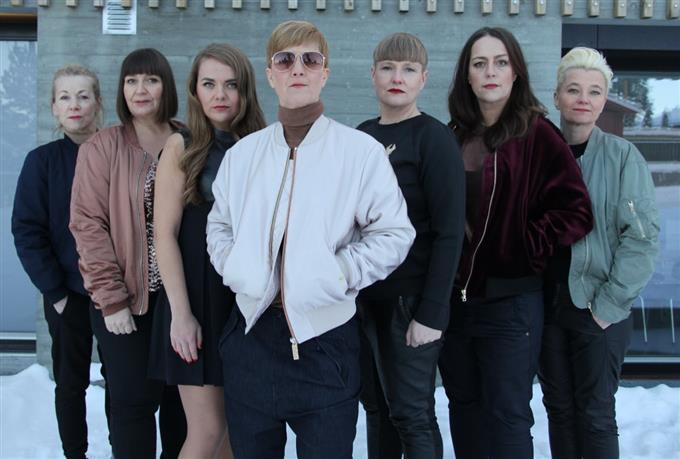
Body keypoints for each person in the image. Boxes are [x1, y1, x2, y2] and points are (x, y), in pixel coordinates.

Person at [206, 20, 415, 459]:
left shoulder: (359, 152)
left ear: (325, 73)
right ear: (270, 74)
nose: (297, 68)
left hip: (326, 340)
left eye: (310, 59)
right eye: (285, 60)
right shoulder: (243, 155)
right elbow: (218, 226)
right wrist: (236, 266)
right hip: (251, 335)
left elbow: (394, 233)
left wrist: (337, 273)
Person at [437, 27, 594, 459]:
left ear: (515, 73)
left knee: (506, 418)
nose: (491, 71)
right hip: (456, 305)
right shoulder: (451, 136)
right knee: (463, 410)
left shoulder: (538, 134)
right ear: (467, 76)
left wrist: (522, 247)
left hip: (511, 306)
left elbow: (577, 211)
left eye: (501, 62)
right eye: (480, 63)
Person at [539, 47, 660, 459]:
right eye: (573, 89)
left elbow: (641, 240)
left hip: (597, 308)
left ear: (604, 100)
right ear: (557, 97)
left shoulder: (623, 157)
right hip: (547, 307)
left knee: (595, 414)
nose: (583, 99)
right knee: (558, 410)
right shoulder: (540, 156)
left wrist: (607, 307)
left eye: (594, 91)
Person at [149, 43, 266, 459]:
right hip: (195, 298)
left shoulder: (261, 145)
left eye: (231, 85)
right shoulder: (181, 145)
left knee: (236, 431)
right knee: (208, 430)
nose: (220, 94)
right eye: (209, 84)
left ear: (245, 91)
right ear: (195, 90)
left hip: (244, 301)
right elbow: (164, 234)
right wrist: (181, 315)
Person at [69, 48, 187, 459]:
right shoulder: (103, 147)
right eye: (131, 81)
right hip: (128, 303)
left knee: (182, 407)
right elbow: (87, 225)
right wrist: (112, 299)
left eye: (151, 80)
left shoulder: (189, 139)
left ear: (166, 86)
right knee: (133, 405)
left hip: (181, 301)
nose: (140, 89)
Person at [356, 33, 465, 459]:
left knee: (411, 414)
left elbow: (450, 232)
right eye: (388, 68)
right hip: (365, 300)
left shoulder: (433, 138)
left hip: (411, 301)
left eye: (408, 69)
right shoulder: (362, 137)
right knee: (377, 411)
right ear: (373, 75)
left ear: (423, 79)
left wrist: (432, 312)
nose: (396, 77)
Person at [12, 64, 109, 459]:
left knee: (123, 383)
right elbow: (27, 230)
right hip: (67, 295)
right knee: (71, 384)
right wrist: (56, 292)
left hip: (116, 295)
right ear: (53, 107)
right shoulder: (42, 162)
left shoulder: (116, 155)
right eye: (65, 97)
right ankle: (75, 453)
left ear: (98, 103)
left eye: (83, 96)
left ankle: (122, 448)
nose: (74, 104)